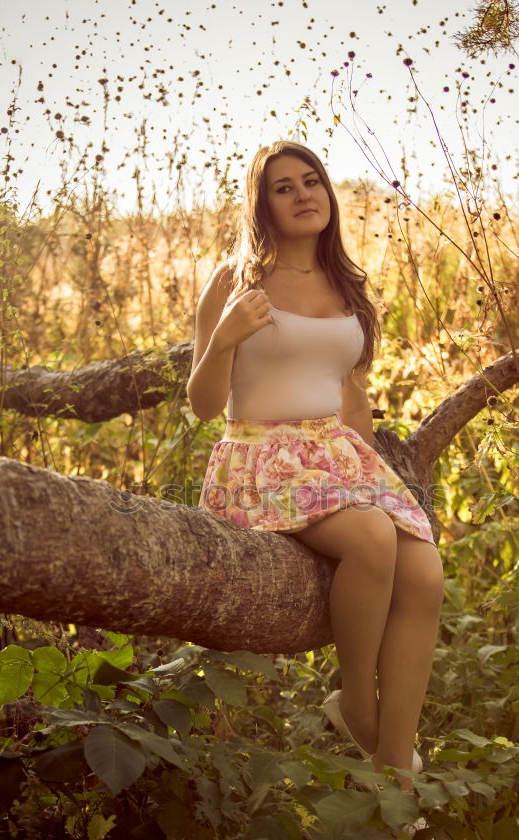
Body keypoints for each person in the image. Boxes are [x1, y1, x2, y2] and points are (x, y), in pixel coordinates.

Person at [187, 140, 444, 791]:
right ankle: (357, 703)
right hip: (259, 453)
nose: (304, 194)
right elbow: (202, 403)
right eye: (284, 187)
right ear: (263, 205)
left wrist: (367, 458)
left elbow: (348, 392)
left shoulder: (346, 285)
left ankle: (395, 771)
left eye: (312, 182)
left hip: (334, 454)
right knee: (369, 535)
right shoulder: (234, 282)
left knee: (425, 569)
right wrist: (224, 338)